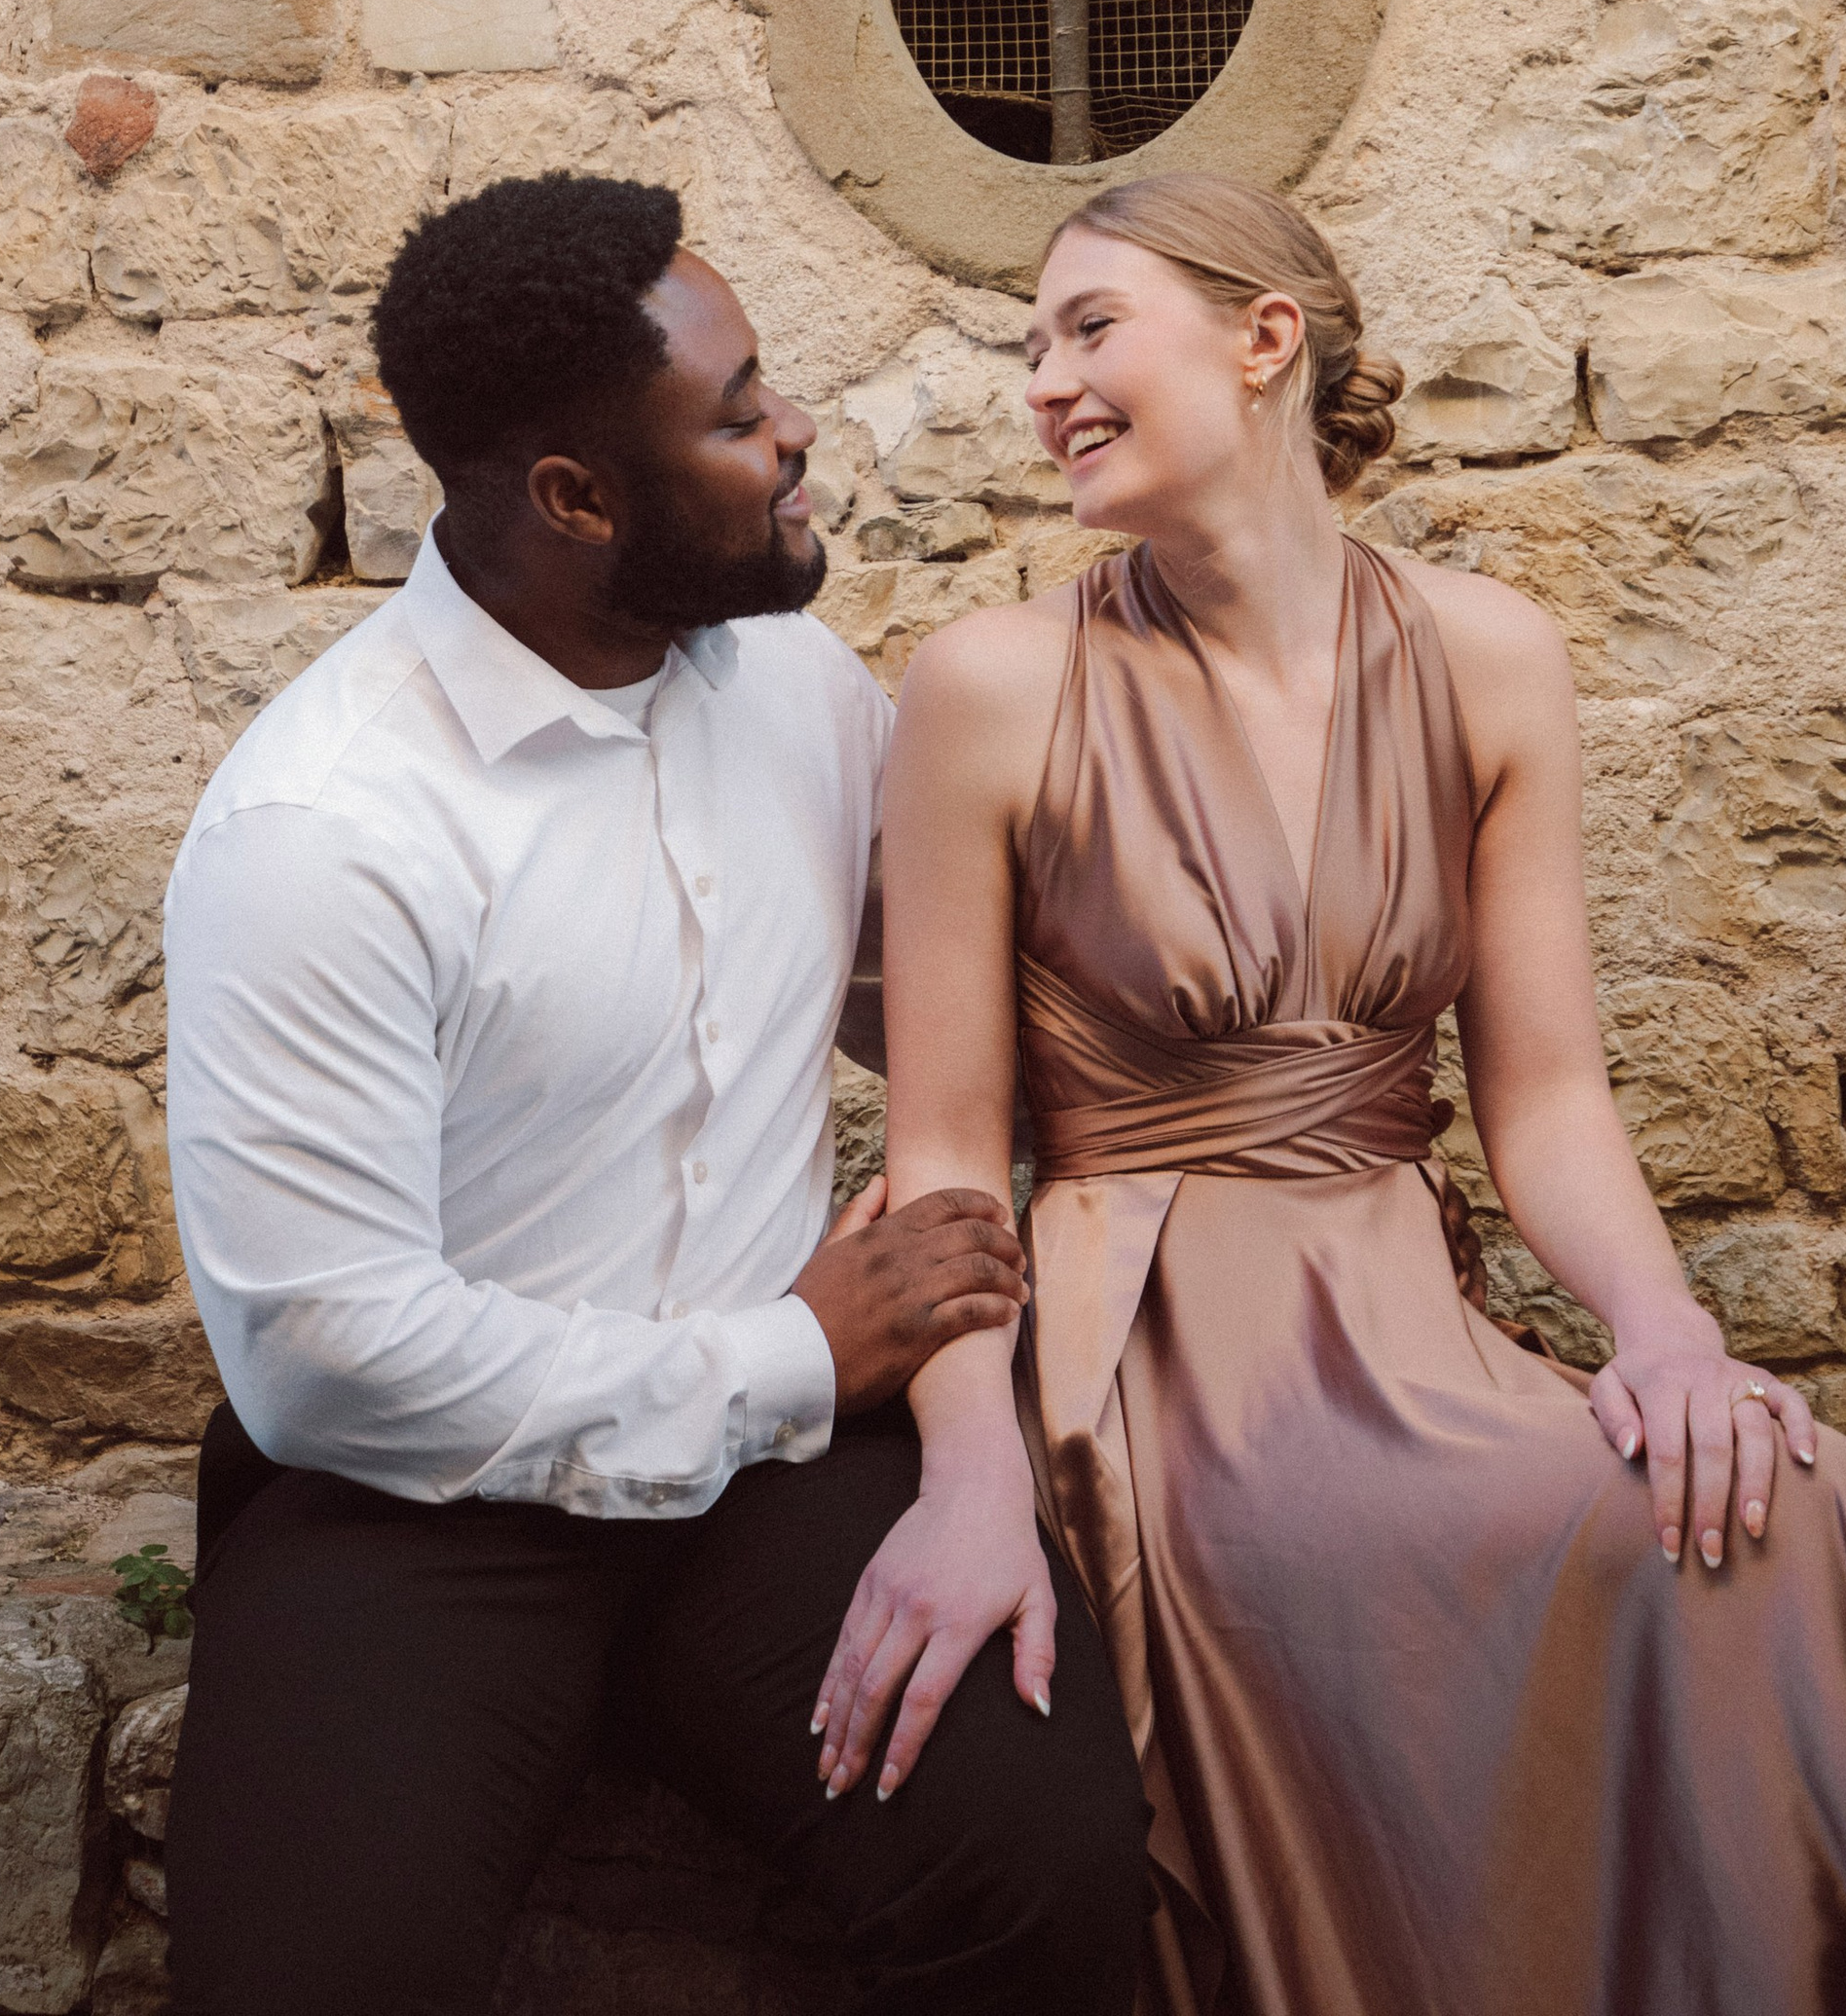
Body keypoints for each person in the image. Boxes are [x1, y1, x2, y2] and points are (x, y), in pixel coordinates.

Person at [811, 170, 1846, 2016]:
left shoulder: (1488, 656)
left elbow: (1548, 1105)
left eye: (1089, 327)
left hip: (1406, 1314)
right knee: (1387, 1559)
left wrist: (1666, 1331)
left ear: (1264, 340)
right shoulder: (991, 685)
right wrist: (969, 1481)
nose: (1043, 383)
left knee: (1794, 1498)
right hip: (1155, 1357)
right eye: (1031, 344)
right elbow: (952, 1158)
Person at [162, 171, 1148, 2016]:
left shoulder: (798, 684)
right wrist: (787, 1356)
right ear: (576, 499)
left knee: (1051, 1871)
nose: (795, 436)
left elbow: (925, 1007)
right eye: (737, 412)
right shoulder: (322, 832)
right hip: (420, 1504)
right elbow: (326, 1353)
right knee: (310, 1980)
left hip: (776, 1492)